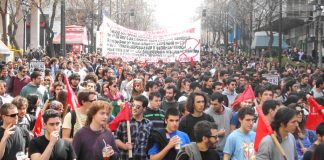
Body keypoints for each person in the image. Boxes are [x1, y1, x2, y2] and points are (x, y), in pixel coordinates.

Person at [115, 95, 153, 159]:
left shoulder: (149, 124)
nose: (134, 108)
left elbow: (150, 143)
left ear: (144, 109)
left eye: (138, 107)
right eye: (133, 105)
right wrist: (124, 146)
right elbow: (115, 139)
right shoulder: (124, 122)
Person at [204, 92, 232, 158]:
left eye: (215, 104)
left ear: (222, 103)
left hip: (228, 149)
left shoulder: (229, 111)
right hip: (214, 149)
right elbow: (205, 132)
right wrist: (218, 133)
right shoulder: (207, 114)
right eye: (211, 104)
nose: (213, 106)